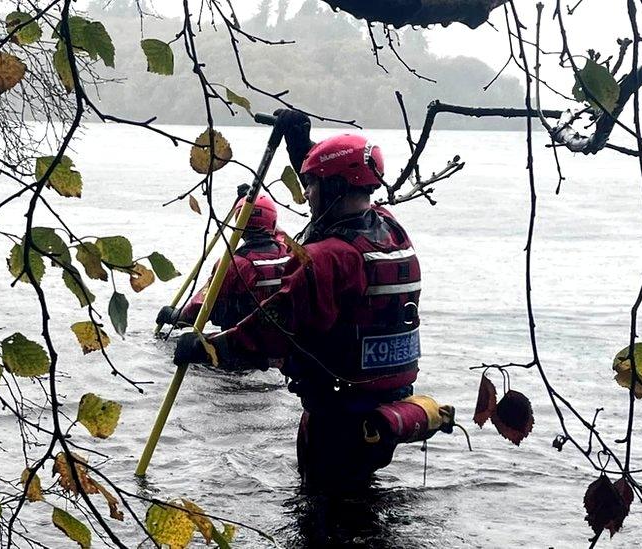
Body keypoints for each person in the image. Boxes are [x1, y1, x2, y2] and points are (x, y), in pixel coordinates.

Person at [173, 109, 452, 490]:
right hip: (382, 407)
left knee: (322, 508)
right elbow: (343, 184)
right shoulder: (390, 228)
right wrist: (302, 148)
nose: (306, 194)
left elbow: (274, 332)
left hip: (336, 418)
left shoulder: (327, 259)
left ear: (333, 188)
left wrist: (208, 348)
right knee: (357, 498)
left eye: (312, 185)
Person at [155, 185, 289, 332]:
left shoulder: (232, 264)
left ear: (239, 222)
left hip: (243, 341)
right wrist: (249, 202)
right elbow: (276, 231)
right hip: (280, 336)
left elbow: (202, 305)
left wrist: (175, 316)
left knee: (186, 345)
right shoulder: (288, 253)